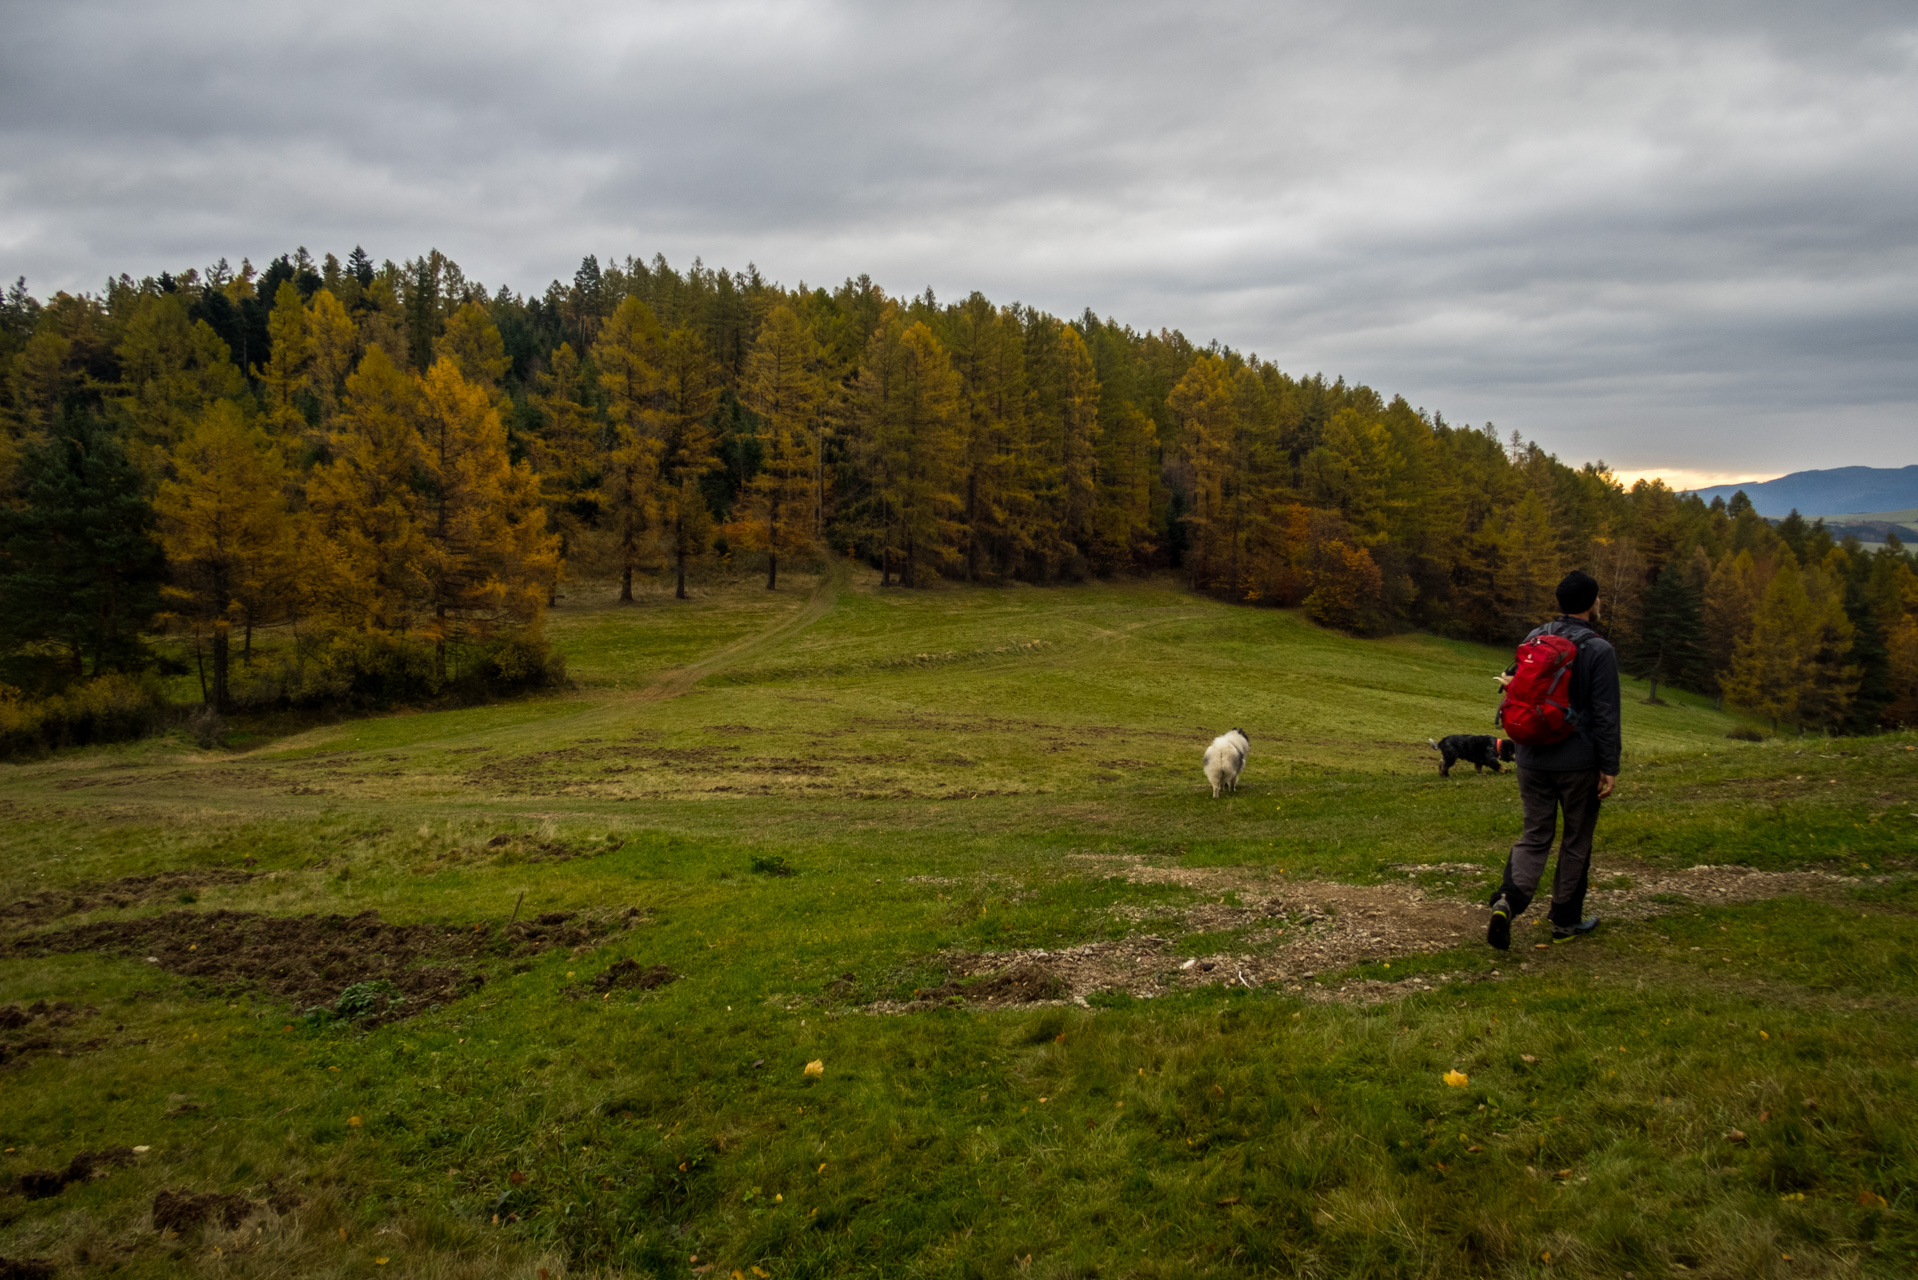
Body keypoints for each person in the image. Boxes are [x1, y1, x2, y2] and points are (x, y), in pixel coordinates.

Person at [1487, 569, 1620, 950]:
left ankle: (1507, 901)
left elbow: (1514, 684)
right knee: (1576, 838)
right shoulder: (1598, 649)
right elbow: (1606, 713)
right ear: (1592, 603)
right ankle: (1565, 920)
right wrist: (1609, 766)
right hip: (1577, 761)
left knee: (1535, 835)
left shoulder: (1535, 637)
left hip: (1530, 755)